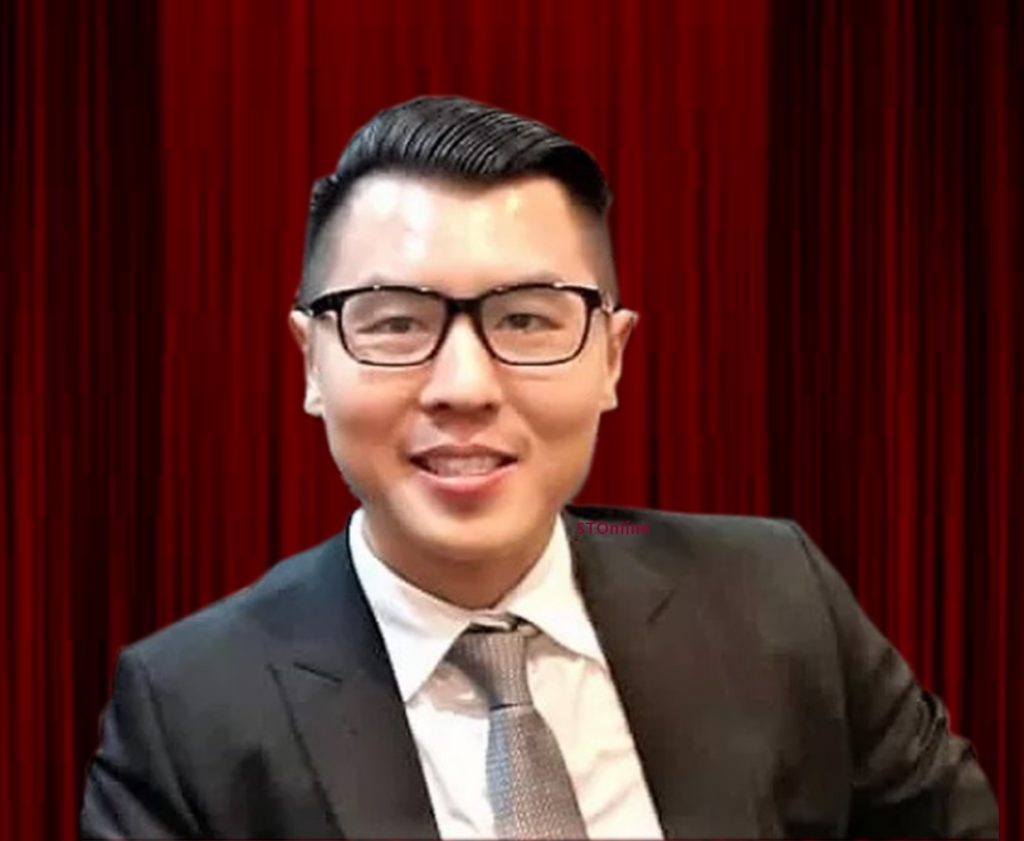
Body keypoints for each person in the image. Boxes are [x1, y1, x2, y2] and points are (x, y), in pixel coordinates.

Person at [79, 96, 999, 840]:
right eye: (395, 321)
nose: (464, 387)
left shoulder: (779, 599)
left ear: (612, 357)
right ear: (312, 362)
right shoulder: (187, 711)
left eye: (525, 319)